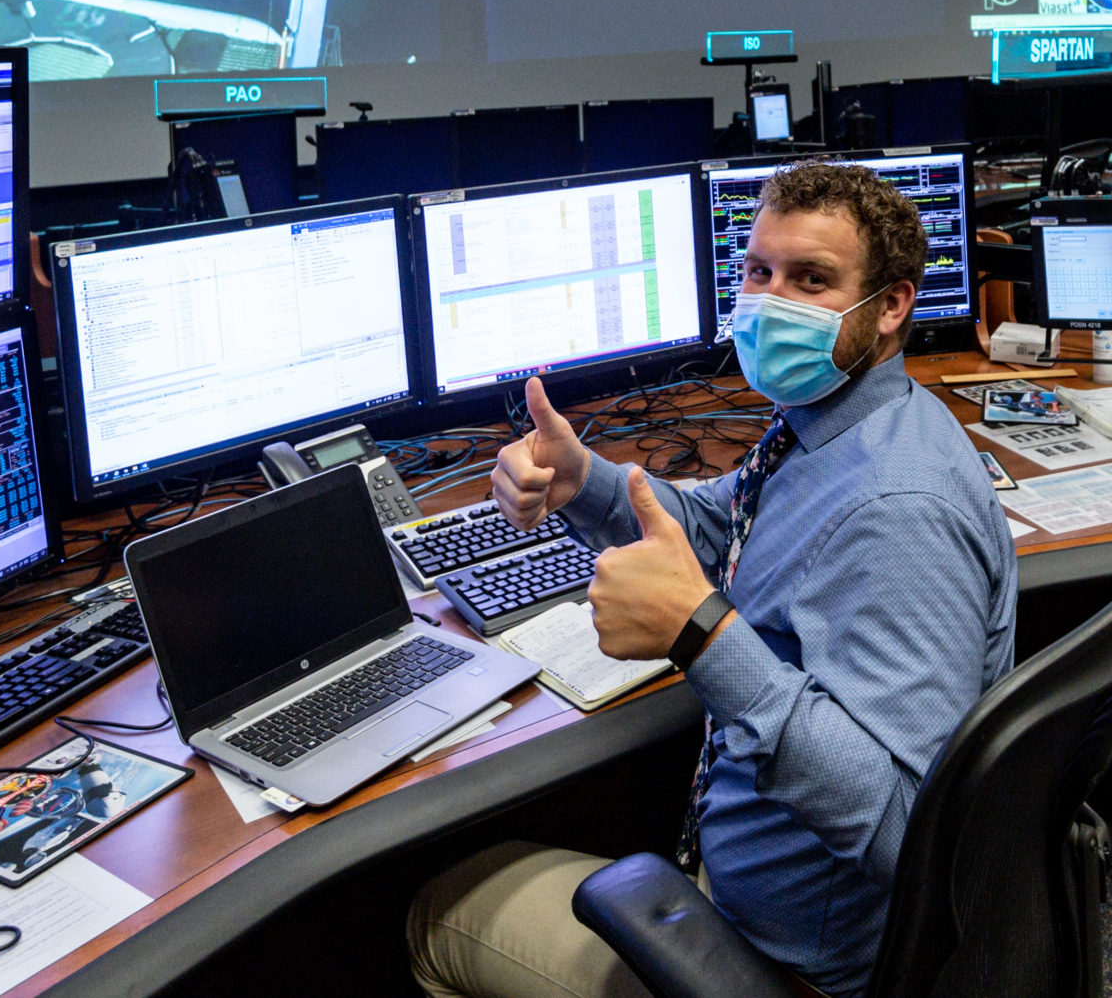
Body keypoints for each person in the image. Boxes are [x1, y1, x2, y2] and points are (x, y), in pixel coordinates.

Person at [407, 161, 1018, 998]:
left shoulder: (896, 512)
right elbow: (717, 527)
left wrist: (701, 634)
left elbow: (908, 829)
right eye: (759, 271)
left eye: (812, 280)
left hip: (792, 964)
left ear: (892, 306)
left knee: (443, 909)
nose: (771, 301)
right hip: (763, 885)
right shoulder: (837, 425)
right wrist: (580, 476)